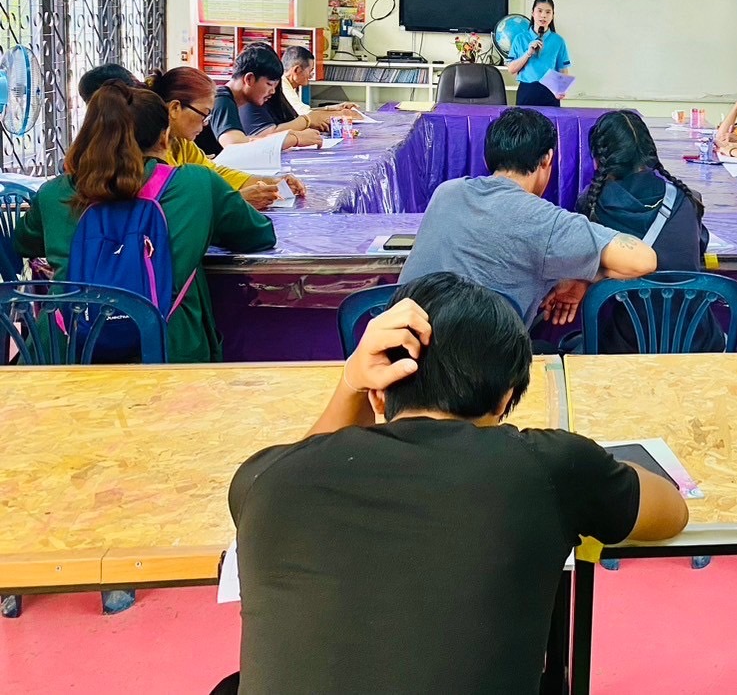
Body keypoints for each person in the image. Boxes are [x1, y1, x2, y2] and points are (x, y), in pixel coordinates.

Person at [226, 273, 688, 694]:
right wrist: (593, 473)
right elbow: (671, 512)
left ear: (378, 392)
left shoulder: (264, 479)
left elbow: (304, 459)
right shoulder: (549, 466)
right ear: (507, 397)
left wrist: (350, 383)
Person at [12, 82, 276, 362]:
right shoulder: (197, 184)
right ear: (165, 137)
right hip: (169, 355)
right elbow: (258, 235)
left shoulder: (54, 193)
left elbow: (24, 243)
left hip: (60, 355)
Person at [399, 108, 657, 344]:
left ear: (488, 160)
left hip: (402, 352)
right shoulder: (545, 222)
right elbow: (643, 260)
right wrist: (581, 273)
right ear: (547, 160)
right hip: (476, 365)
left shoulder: (446, 192)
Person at [577, 109, 720, 353]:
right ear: (650, 154)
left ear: (597, 160)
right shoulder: (686, 198)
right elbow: (698, 247)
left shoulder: (591, 205)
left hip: (625, 347)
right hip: (697, 342)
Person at [144, 67, 306, 212]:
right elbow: (170, 209)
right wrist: (235, 201)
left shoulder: (181, 143)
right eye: (204, 115)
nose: (205, 124)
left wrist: (271, 182)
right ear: (175, 108)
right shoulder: (150, 152)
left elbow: (214, 174)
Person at [205, 43, 327, 154]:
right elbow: (236, 146)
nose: (273, 91)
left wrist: (290, 134)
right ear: (249, 79)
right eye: (269, 84)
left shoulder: (233, 100)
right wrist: (295, 139)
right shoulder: (222, 100)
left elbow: (247, 139)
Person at [506, 0, 571, 108]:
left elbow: (563, 69)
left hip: (549, 92)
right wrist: (528, 53)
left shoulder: (558, 41)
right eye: (539, 11)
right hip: (527, 90)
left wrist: (562, 89)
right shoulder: (520, 38)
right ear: (533, 13)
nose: (543, 15)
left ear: (552, 15)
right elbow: (511, 69)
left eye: (548, 12)